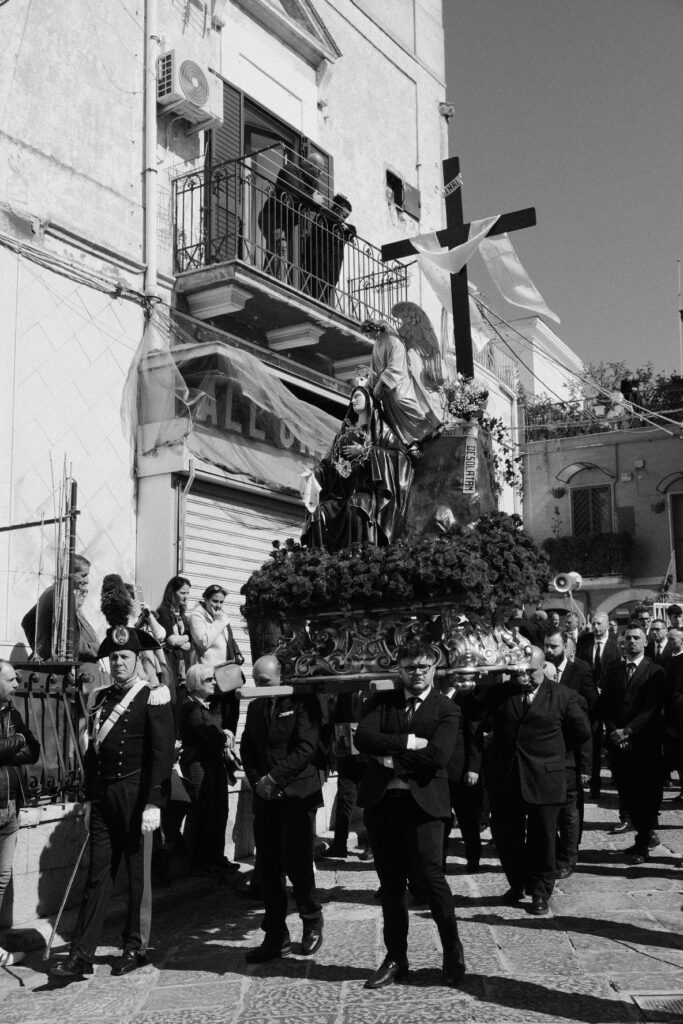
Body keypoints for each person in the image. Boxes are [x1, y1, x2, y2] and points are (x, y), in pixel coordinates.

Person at [50, 625, 174, 979]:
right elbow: (93, 754)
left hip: (136, 795)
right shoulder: (100, 698)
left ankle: (135, 946)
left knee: (138, 876)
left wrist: (154, 801)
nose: (118, 663)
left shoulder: (153, 695)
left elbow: (161, 753)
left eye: (125, 657)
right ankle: (80, 954)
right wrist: (89, 799)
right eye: (114, 657)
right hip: (104, 796)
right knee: (97, 873)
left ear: (137, 660)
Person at [354, 642, 465, 989]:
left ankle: (452, 952)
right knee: (390, 886)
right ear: (398, 670)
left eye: (423, 667)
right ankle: (396, 957)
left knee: (432, 880)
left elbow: (438, 756)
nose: (417, 673)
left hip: (425, 808)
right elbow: (364, 738)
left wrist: (390, 758)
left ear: (434, 668)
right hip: (384, 805)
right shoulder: (380, 702)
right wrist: (409, 743)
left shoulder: (446, 708)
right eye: (410, 667)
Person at [483, 646, 591, 915]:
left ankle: (541, 891)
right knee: (506, 837)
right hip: (507, 779)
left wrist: (560, 760)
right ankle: (517, 883)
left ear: (544, 667)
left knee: (543, 839)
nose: (524, 678)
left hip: (546, 778)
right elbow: (479, 718)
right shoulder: (501, 695)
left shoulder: (565, 697)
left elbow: (582, 733)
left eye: (530, 671)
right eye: (519, 672)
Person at [240, 655, 324, 963]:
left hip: (296, 793)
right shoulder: (255, 706)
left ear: (280, 678)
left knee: (298, 862)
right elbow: (247, 747)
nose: (259, 687)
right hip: (266, 796)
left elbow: (306, 747)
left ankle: (311, 919)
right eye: (256, 681)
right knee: (270, 867)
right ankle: (276, 934)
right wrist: (257, 781)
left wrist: (275, 778)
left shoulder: (302, 702)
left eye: (264, 682)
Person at [301, 386, 412, 551]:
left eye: (357, 396)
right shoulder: (344, 433)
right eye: (352, 397)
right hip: (342, 494)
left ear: (369, 400)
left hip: (368, 492)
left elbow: (400, 457)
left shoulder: (381, 430)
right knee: (320, 512)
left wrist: (366, 451)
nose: (352, 400)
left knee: (357, 503)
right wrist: (314, 473)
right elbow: (330, 463)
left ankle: (359, 554)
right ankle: (318, 559)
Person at [601, 624, 666, 864]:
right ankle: (645, 836)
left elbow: (651, 708)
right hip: (618, 744)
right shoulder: (614, 669)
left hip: (643, 743)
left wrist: (628, 732)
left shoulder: (654, 671)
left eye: (637, 638)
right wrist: (613, 731)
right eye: (628, 638)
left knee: (645, 794)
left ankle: (642, 842)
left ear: (645, 642)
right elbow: (606, 704)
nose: (631, 642)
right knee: (626, 793)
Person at [179, 664, 239, 877]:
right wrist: (224, 736)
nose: (214, 682)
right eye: (208, 680)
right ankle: (202, 860)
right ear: (195, 684)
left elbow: (227, 716)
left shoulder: (210, 705)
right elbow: (208, 734)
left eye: (213, 679)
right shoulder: (189, 708)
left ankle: (217, 856)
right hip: (198, 764)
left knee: (220, 809)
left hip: (214, 763)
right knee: (205, 810)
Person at [543, 633, 593, 878]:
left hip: (568, 761)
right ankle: (552, 856)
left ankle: (568, 858)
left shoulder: (574, 685)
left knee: (569, 814)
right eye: (547, 646)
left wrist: (585, 767)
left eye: (554, 646)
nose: (550, 650)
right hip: (545, 764)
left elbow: (585, 730)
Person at [0, 661, 40, 966]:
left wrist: (15, 744)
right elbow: (23, 744)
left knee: (1, 878)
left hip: (11, 804)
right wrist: (19, 741)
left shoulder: (11, 713)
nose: (18, 684)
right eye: (12, 679)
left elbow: (35, 750)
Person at [360, 320, 442, 456]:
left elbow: (396, 365)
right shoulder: (377, 345)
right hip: (387, 390)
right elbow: (374, 369)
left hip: (400, 384)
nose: (368, 337)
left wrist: (382, 382)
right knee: (391, 414)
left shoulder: (393, 340)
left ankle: (428, 429)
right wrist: (369, 384)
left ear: (374, 329)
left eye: (368, 333)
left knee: (402, 401)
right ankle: (411, 442)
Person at [577, 612, 619, 797]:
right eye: (593, 624)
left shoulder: (617, 643)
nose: (595, 627)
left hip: (611, 700)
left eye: (599, 624)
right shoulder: (584, 642)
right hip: (590, 700)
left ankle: (617, 776)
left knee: (612, 741)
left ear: (608, 625)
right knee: (592, 740)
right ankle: (595, 783)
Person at [21, 553, 91, 661]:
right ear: (71, 574)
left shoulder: (52, 591)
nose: (87, 580)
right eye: (83, 575)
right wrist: (43, 650)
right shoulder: (63, 596)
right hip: (57, 662)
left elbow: (27, 621)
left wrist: (39, 649)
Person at [302, 193, 356, 304]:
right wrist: (344, 229)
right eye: (343, 215)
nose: (343, 219)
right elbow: (329, 223)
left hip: (333, 266)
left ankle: (321, 304)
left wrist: (347, 229)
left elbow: (353, 231)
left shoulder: (341, 226)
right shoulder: (323, 216)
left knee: (326, 289)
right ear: (336, 208)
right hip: (319, 259)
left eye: (346, 217)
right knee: (317, 286)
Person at [155, 576, 192, 718]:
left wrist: (182, 639)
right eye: (182, 593)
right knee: (172, 705)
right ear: (172, 592)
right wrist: (186, 638)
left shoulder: (182, 615)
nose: (186, 597)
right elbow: (171, 640)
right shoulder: (163, 612)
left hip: (183, 667)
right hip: (171, 665)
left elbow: (187, 645)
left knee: (182, 705)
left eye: (188, 593)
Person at [188, 585, 244, 672]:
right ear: (206, 599)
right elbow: (203, 642)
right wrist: (218, 622)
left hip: (225, 669)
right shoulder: (196, 616)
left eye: (221, 602)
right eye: (215, 601)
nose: (218, 605)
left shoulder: (222, 615)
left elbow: (229, 638)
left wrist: (237, 653)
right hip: (208, 671)